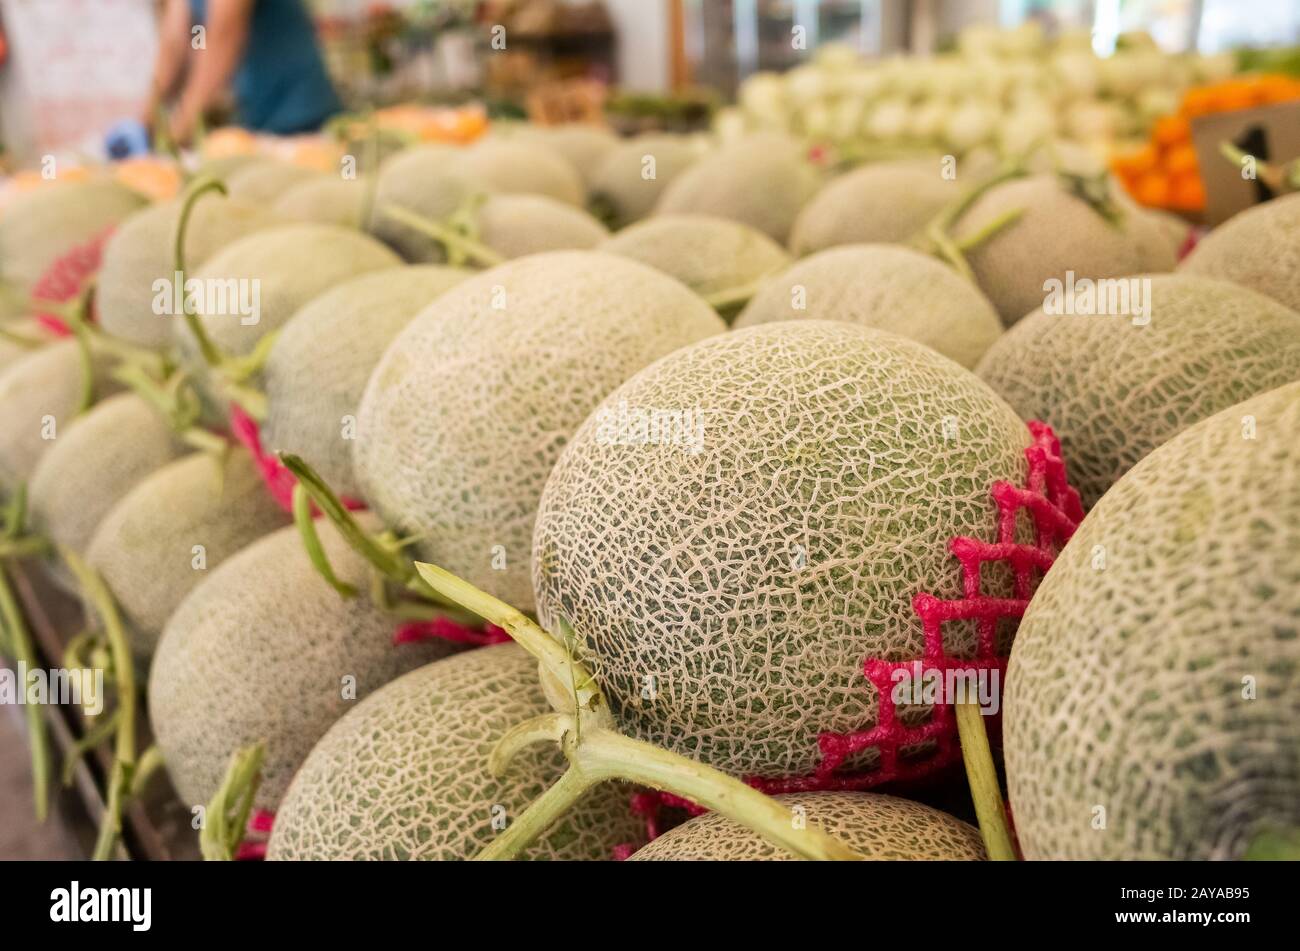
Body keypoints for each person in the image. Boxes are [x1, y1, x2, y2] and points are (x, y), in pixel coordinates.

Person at [143, 0, 341, 144]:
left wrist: (181, 127)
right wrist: (144, 122)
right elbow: (174, 43)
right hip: (256, 117)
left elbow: (224, 36)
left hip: (300, 114)